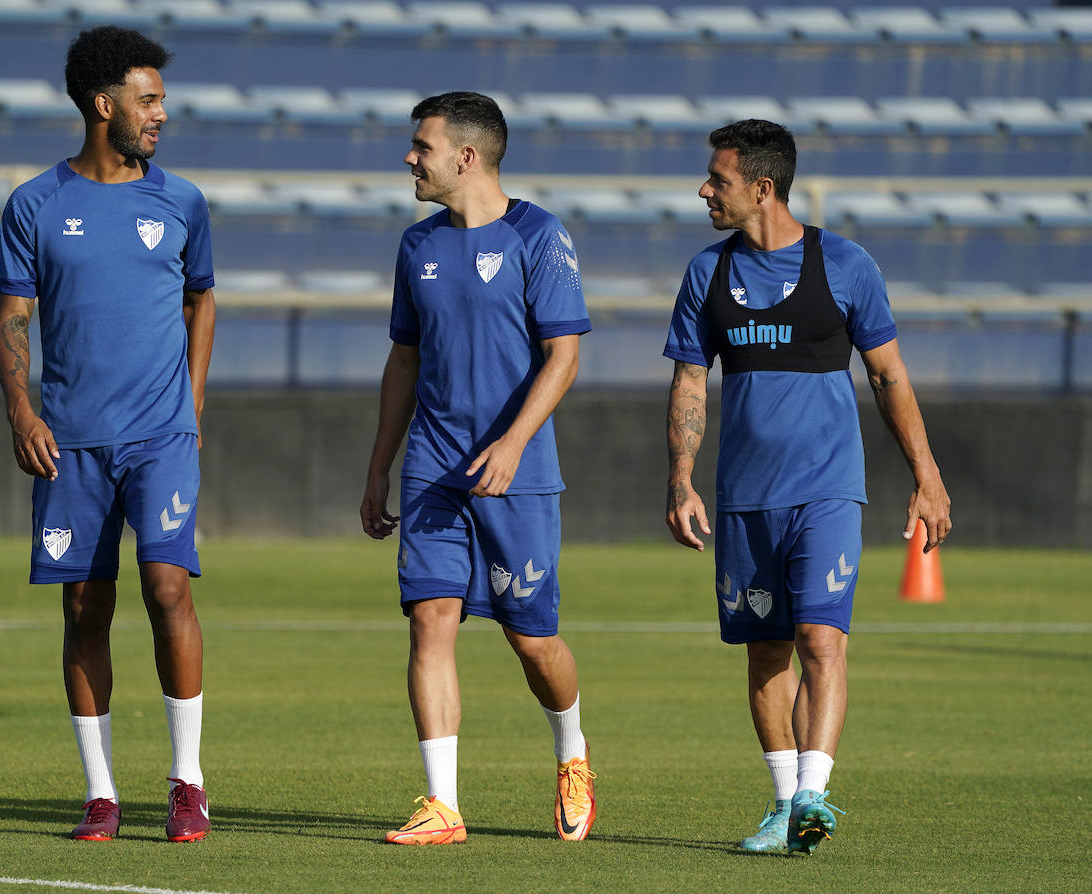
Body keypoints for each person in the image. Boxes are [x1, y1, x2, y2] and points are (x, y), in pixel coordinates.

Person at [663, 119, 952, 855]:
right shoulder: (707, 273)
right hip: (744, 500)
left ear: (762, 187)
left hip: (828, 491)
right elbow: (691, 382)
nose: (705, 189)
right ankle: (785, 803)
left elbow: (889, 376)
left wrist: (928, 479)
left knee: (822, 640)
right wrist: (681, 479)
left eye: (717, 179)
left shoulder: (846, 265)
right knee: (767, 654)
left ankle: (815, 797)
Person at [0, 26, 216, 843]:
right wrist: (22, 410)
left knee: (167, 589)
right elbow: (12, 317)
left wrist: (188, 405)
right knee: (85, 607)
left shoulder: (181, 201)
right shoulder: (35, 204)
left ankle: (187, 784)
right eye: (148, 100)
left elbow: (202, 299)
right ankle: (102, 795)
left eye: (161, 99)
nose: (161, 113)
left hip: (160, 436)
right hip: (70, 442)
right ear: (102, 104)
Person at [360, 91, 596, 845]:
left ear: (465, 156)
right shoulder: (417, 246)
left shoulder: (538, 234)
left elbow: (564, 355)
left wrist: (516, 441)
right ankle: (442, 805)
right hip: (433, 467)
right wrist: (378, 470)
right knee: (430, 622)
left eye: (420, 146)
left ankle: (573, 751)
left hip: (515, 472)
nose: (409, 158)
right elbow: (404, 360)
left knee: (532, 641)